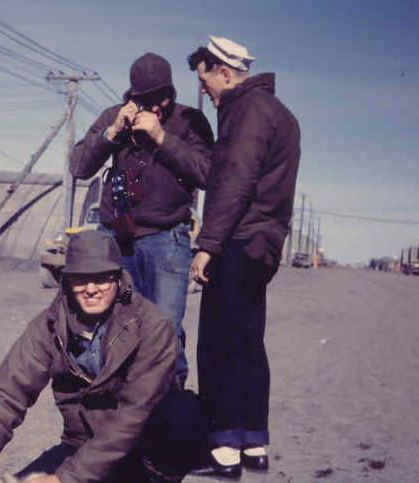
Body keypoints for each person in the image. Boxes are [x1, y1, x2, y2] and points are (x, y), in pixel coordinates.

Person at [0, 230, 198, 483]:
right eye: (80, 279)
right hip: (81, 445)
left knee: (183, 412)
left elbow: (134, 413)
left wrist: (66, 478)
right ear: (66, 281)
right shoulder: (49, 323)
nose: (91, 289)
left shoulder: (152, 326)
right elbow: (8, 391)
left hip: (139, 447)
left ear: (119, 280)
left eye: (102, 278)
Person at [186, 36, 301, 478]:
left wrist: (207, 246)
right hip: (263, 243)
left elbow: (234, 182)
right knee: (248, 342)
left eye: (206, 80)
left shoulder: (249, 112)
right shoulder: (278, 113)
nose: (204, 90)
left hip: (237, 240)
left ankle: (224, 451)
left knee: (218, 344)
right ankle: (254, 444)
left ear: (225, 72)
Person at [70, 52, 214, 386]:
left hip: (167, 239)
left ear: (171, 93)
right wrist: (111, 133)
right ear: (132, 96)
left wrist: (162, 137)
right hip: (118, 238)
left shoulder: (189, 121)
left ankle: (171, 402)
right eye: (147, 99)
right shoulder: (115, 117)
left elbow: (208, 174)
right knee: (117, 324)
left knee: (164, 329)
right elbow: (78, 166)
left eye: (163, 97)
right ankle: (120, 400)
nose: (156, 105)